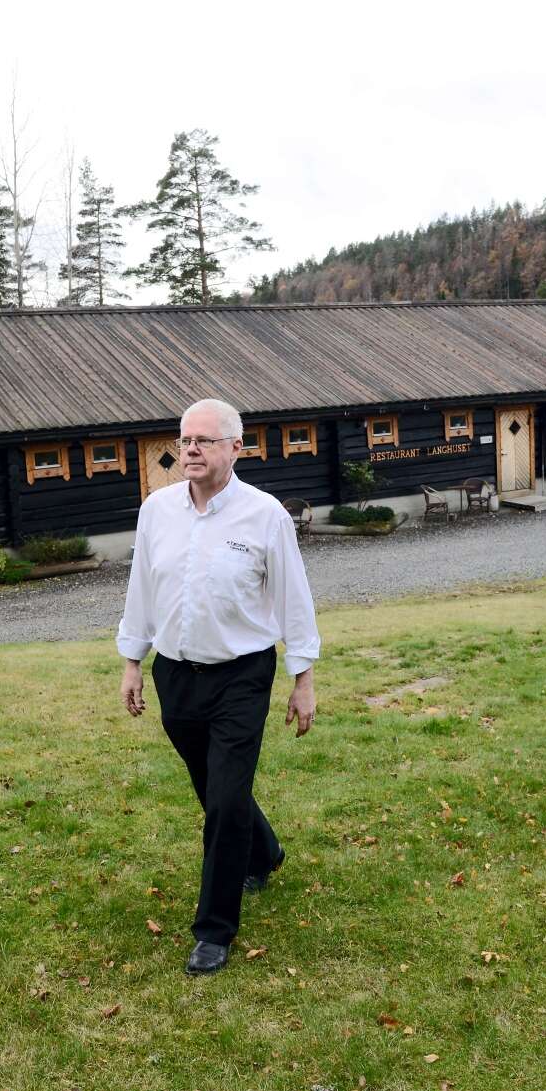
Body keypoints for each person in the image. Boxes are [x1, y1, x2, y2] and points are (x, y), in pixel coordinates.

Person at [117, 398, 321, 975]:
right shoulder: (157, 511)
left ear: (236, 447)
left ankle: (213, 931)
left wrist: (302, 678)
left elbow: (294, 599)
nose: (191, 449)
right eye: (185, 439)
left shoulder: (264, 516)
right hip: (176, 675)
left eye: (204, 440)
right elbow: (141, 589)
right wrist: (132, 662)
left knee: (226, 802)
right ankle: (266, 850)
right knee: (214, 786)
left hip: (241, 675)